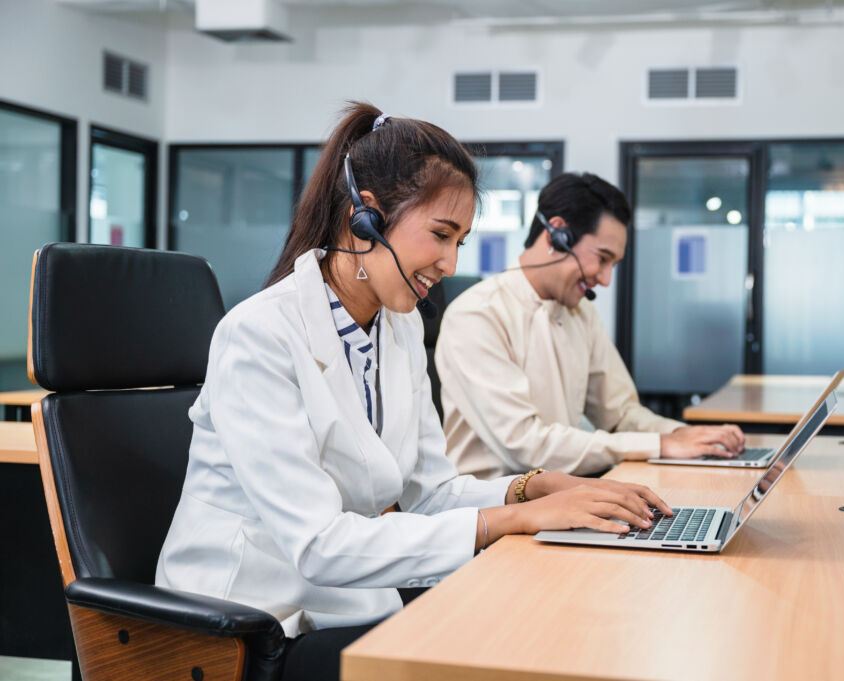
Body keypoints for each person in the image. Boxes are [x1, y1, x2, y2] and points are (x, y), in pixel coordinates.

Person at [155, 104, 671, 681]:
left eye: (461, 241)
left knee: (537, 625)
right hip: (251, 622)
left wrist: (533, 489)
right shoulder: (259, 335)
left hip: (346, 602)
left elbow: (429, 494)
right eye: (441, 235)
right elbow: (319, 544)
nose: (450, 263)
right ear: (365, 218)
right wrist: (514, 521)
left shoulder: (398, 327)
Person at [435, 172, 746, 480]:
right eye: (603, 258)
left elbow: (620, 414)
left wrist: (686, 435)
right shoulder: (477, 314)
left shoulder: (580, 313)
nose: (606, 279)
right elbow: (525, 445)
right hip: (492, 516)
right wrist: (660, 444)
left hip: (559, 499)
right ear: (557, 234)